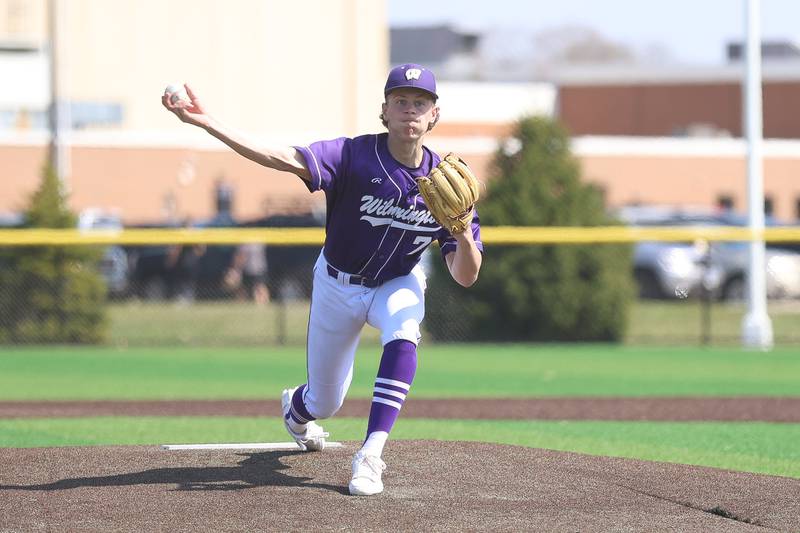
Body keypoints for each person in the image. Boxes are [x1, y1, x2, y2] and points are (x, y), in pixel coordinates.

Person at [162, 63, 483, 496]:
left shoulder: (446, 184)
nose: (410, 110)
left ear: (434, 115)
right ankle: (297, 410)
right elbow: (280, 157)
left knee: (405, 329)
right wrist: (208, 123)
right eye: (401, 102)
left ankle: (371, 453)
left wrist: (463, 233)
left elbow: (465, 276)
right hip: (338, 284)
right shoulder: (352, 155)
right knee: (325, 403)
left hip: (396, 281)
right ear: (384, 111)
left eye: (420, 103)